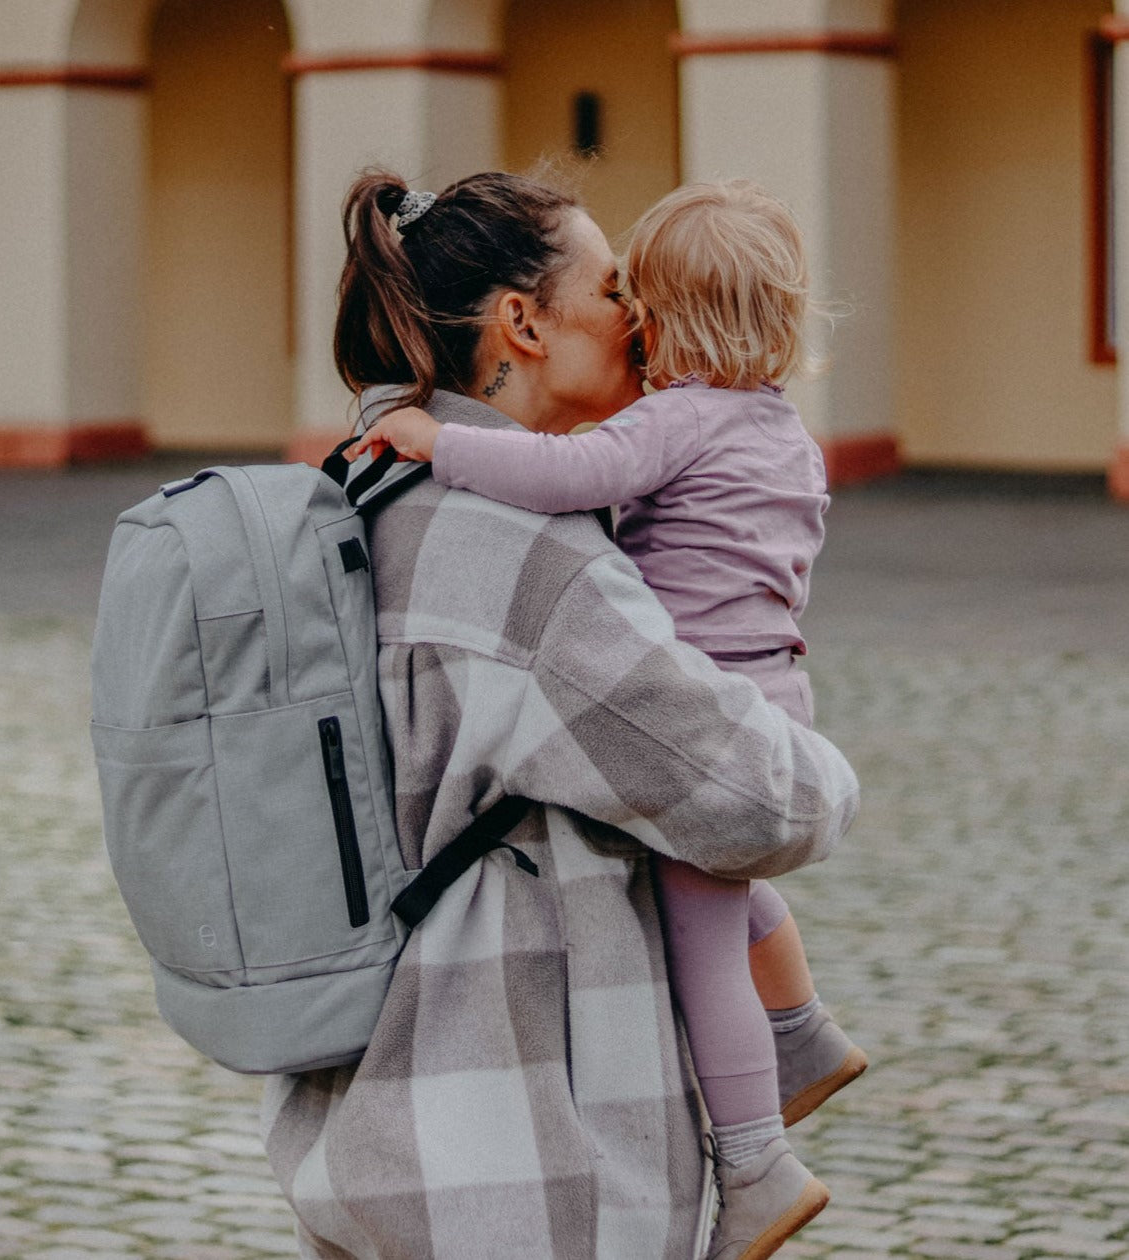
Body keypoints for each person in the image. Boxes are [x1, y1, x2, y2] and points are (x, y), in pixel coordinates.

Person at [261, 168, 859, 1260]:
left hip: (369, 1118)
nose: (640, 320)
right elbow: (756, 803)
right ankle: (776, 1101)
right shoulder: (531, 562)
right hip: (525, 1160)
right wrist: (828, 772)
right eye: (618, 289)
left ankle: (799, 1040)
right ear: (524, 322)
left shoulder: (359, 494)